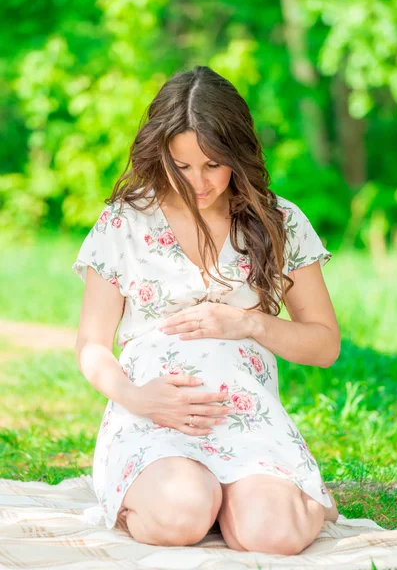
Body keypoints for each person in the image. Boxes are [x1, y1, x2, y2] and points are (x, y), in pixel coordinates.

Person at [72, 65, 340, 555]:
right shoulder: (124, 222)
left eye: (213, 165)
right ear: (162, 154)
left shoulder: (278, 222)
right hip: (153, 417)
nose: (198, 182)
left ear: (238, 155)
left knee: (271, 537)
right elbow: (91, 345)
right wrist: (138, 398)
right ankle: (182, 494)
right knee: (180, 517)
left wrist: (249, 322)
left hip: (247, 419)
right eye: (182, 165)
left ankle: (293, 500)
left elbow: (324, 344)